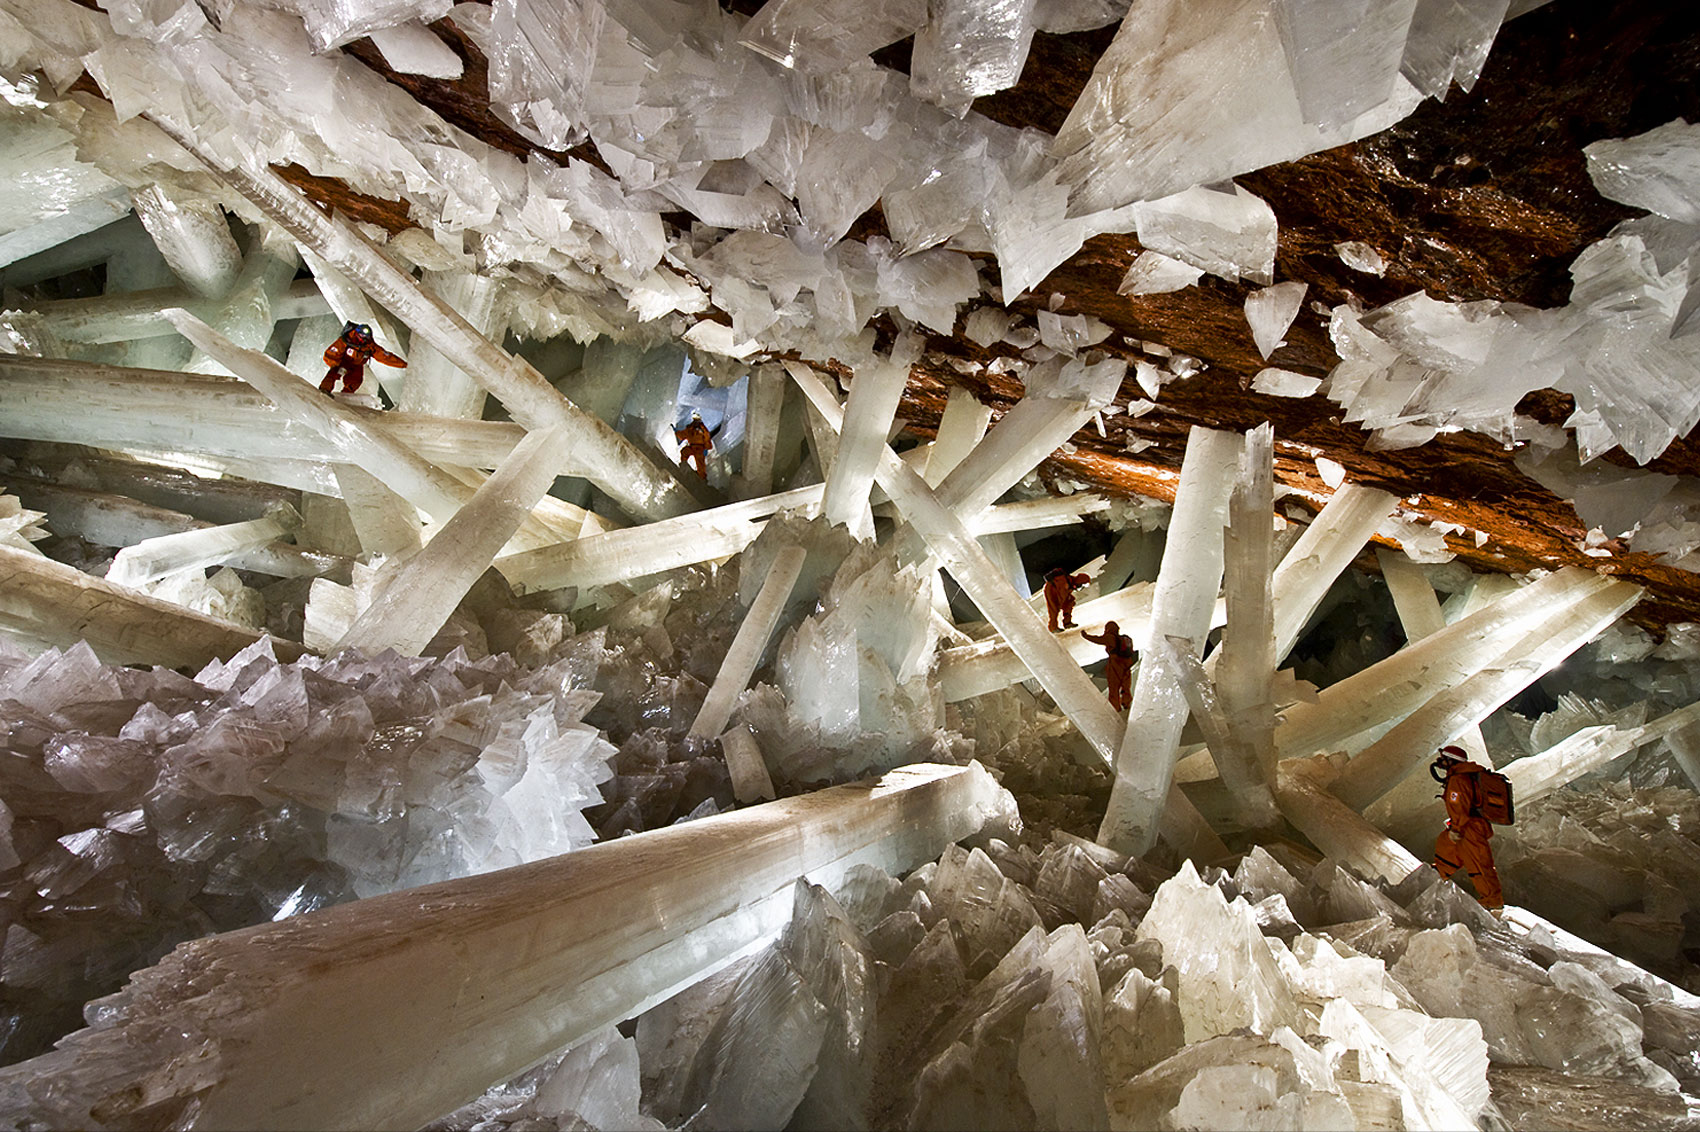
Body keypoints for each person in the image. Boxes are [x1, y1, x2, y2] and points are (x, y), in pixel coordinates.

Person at [1430, 745, 1504, 915]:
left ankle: (1492, 902)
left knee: (1478, 864)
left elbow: (1459, 807)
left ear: (1451, 760)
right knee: (1446, 848)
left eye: (1443, 758)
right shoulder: (1463, 776)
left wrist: (1456, 828)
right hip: (1467, 826)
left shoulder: (1458, 780)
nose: (1440, 762)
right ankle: (1435, 878)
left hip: (1469, 828)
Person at [321, 322, 406, 395]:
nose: (363, 338)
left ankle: (345, 395)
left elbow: (385, 357)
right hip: (343, 362)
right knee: (333, 373)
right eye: (361, 335)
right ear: (357, 334)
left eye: (366, 336)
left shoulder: (370, 346)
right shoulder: (346, 340)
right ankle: (325, 389)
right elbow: (331, 354)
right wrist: (336, 365)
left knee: (355, 381)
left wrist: (404, 365)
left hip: (357, 366)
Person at [1082, 620, 1134, 711]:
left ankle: (1115, 708)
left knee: (1114, 687)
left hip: (1116, 664)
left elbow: (1098, 640)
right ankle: (1127, 704)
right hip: (1127, 664)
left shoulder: (1110, 637)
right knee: (1125, 686)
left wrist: (1085, 636)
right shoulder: (1124, 639)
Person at [1042, 566, 1090, 631]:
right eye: (1082, 584)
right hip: (1051, 590)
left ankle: (1067, 623)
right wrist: (1061, 605)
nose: (1081, 586)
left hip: (1056, 591)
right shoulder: (1065, 582)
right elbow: (1062, 595)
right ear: (1080, 581)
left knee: (1070, 602)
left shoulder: (1070, 582)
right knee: (1054, 608)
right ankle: (1053, 628)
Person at [675, 411, 714, 479]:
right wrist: (676, 432)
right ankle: (684, 466)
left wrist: (706, 447)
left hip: (700, 448)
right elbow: (683, 435)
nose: (696, 421)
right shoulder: (690, 428)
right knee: (684, 452)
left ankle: (702, 477)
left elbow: (707, 438)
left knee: (700, 463)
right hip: (692, 446)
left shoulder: (703, 429)